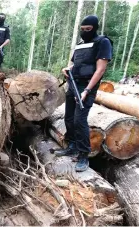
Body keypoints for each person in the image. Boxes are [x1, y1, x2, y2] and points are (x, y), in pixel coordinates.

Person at [55, 15, 113, 172]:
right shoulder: (80, 45)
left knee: (80, 120)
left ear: (94, 28)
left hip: (87, 85)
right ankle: (72, 146)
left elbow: (100, 69)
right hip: (73, 83)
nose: (84, 32)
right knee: (69, 118)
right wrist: (66, 70)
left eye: (88, 29)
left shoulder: (103, 42)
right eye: (82, 29)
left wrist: (87, 90)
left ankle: (83, 155)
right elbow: (75, 64)